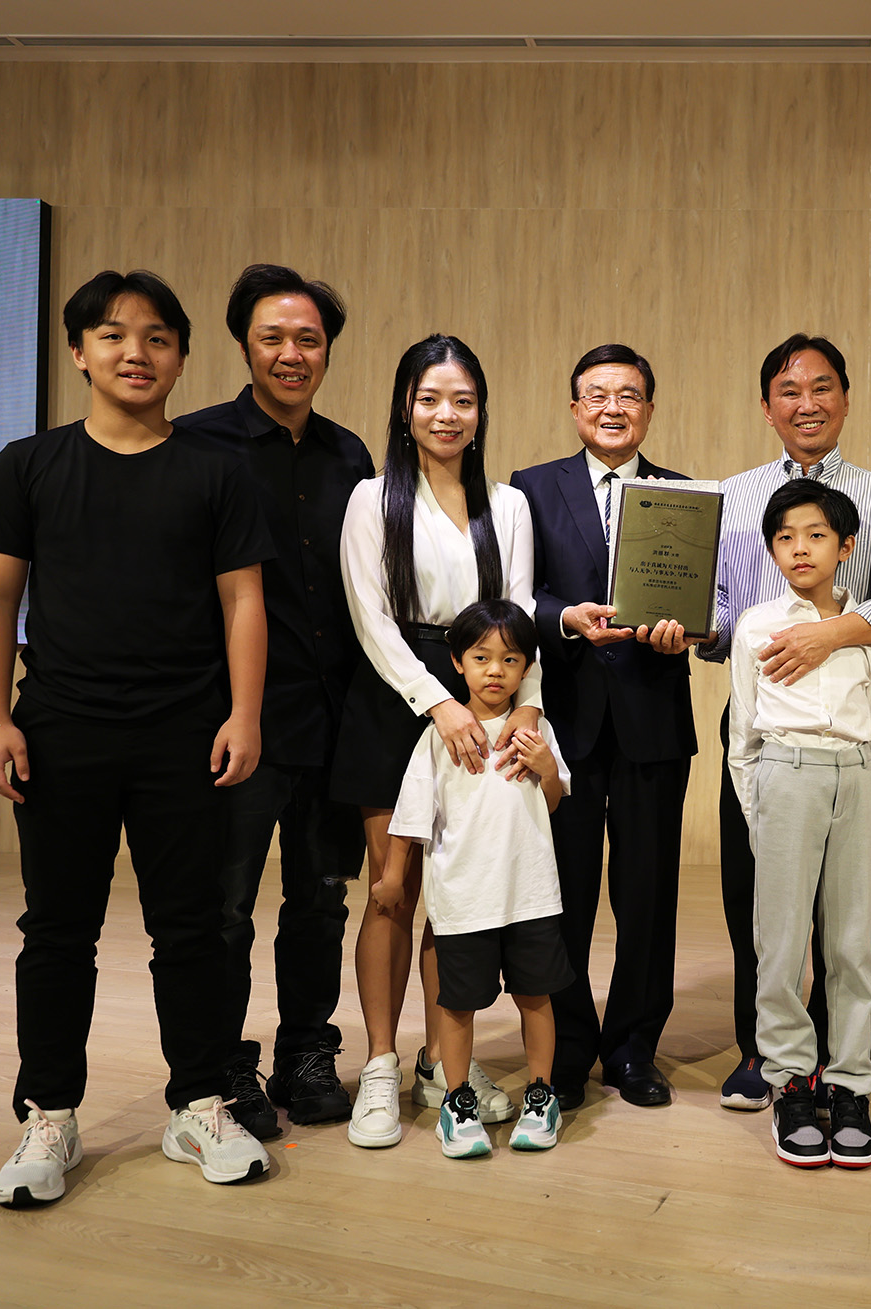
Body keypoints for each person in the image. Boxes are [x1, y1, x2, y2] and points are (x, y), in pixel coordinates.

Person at [0, 269, 276, 1206]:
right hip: (62, 731)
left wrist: (245, 713)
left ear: (181, 358)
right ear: (78, 352)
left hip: (187, 733)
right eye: (111, 334)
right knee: (57, 929)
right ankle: (49, 1113)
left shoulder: (217, 469)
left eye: (156, 338)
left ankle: (199, 1103)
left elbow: (244, 600)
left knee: (193, 928)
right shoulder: (29, 464)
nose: (135, 352)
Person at [700, 333, 871, 1111]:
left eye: (822, 386)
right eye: (789, 390)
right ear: (767, 406)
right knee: (757, 896)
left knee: (843, 912)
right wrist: (690, 627)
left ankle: (837, 1056)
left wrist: (827, 634)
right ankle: (764, 1052)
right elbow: (721, 607)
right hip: (765, 719)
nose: (807, 403)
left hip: (851, 724)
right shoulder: (732, 497)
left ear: (845, 397)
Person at [176, 265, 372, 1139]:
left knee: (321, 900)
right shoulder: (195, 443)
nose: (292, 354)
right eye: (273, 338)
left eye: (308, 339)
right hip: (237, 720)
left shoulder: (351, 455)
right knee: (224, 907)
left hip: (334, 720)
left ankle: (305, 1052)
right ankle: (225, 1065)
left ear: (327, 350)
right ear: (242, 344)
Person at [336, 333, 540, 1148]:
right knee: (392, 888)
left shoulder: (509, 505)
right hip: (397, 696)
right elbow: (370, 618)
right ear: (405, 407)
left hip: (485, 692)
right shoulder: (371, 498)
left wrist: (525, 709)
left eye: (462, 400)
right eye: (429, 399)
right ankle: (379, 1064)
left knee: (455, 894)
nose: (446, 414)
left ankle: (437, 1063)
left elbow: (521, 618)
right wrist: (436, 702)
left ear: (480, 410)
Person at [511, 343, 694, 1112]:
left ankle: (633, 1047)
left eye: (629, 395)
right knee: (563, 892)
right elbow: (518, 592)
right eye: (597, 394)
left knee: (648, 896)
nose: (613, 408)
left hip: (654, 717)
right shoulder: (529, 488)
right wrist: (564, 618)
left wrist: (692, 630)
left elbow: (710, 601)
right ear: (574, 407)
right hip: (566, 721)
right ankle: (568, 1047)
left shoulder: (687, 495)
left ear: (649, 408)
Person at [728, 478, 871, 1169]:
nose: (800, 548)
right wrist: (757, 812)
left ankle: (849, 1084)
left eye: (816, 535)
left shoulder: (866, 627)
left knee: (851, 941)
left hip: (855, 775)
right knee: (782, 941)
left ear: (845, 546)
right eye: (786, 537)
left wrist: (861, 778)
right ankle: (790, 1082)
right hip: (784, 775)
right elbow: (742, 735)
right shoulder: (756, 624)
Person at [383, 599, 573, 1158]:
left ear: (527, 667)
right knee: (457, 1004)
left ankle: (541, 1095)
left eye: (511, 660)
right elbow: (411, 815)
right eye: (482, 657)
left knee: (535, 996)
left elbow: (554, 800)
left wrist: (545, 768)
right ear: (457, 662)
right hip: (464, 901)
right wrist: (392, 876)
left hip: (530, 896)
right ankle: (457, 1100)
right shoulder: (439, 737)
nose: (496, 671)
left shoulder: (535, 731)